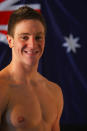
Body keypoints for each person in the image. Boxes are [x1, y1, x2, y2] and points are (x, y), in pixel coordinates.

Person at [0, 6, 63, 131]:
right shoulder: (2, 87)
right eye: (24, 37)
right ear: (10, 41)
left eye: (38, 37)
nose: (33, 44)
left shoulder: (54, 91)